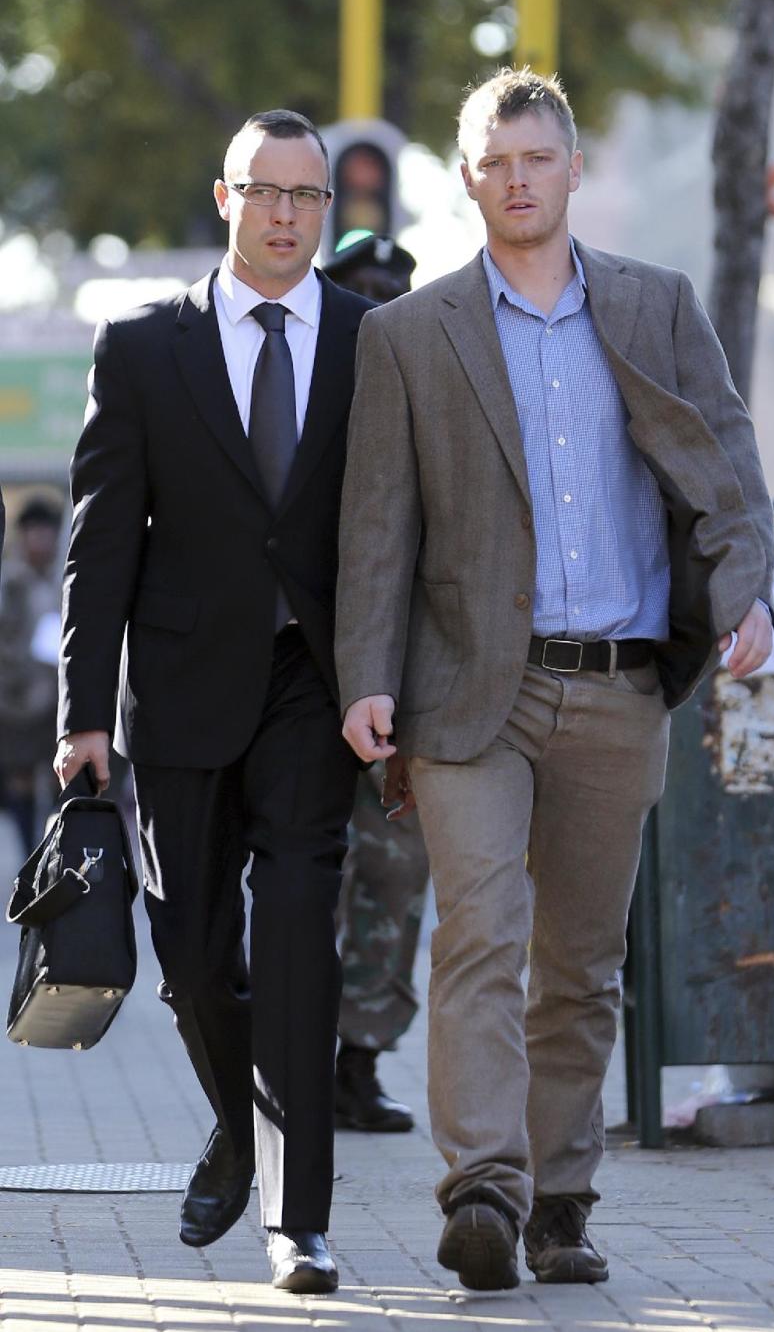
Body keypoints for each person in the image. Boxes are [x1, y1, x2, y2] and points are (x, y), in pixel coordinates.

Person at [336, 68, 774, 1292]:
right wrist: (366, 675)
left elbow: (727, 465)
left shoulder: (657, 307)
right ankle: (482, 1187)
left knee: (581, 965)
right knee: (481, 932)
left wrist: (750, 590)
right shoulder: (407, 335)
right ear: (468, 177)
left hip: (622, 684)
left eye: (538, 157)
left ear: (572, 169)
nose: (518, 178)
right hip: (473, 691)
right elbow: (378, 526)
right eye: (496, 160)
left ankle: (561, 1200)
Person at [54, 109, 371, 1295]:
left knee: (296, 930)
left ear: (324, 210)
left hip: (313, 684)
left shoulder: (367, 338)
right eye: (267, 191)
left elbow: (386, 527)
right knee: (190, 956)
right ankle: (246, 1127)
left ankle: (300, 1219)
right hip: (179, 690)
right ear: (227, 197)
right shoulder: (143, 348)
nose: (289, 214)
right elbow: (99, 547)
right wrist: (84, 719)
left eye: (309, 195)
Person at [323, 231, 426, 1134]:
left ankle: (361, 1060)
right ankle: (291, 1055)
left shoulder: (429, 384)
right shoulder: (305, 390)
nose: (380, 302)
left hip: (407, 682)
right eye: (364, 287)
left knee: (395, 882)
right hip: (307, 680)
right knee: (306, 879)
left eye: (395, 288)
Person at [0, 495, 63, 852]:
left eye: (46, 532)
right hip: (16, 700)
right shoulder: (8, 582)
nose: (40, 540)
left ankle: (53, 855)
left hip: (58, 699)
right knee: (21, 779)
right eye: (33, 532)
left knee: (60, 780)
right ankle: (29, 856)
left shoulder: (67, 578)